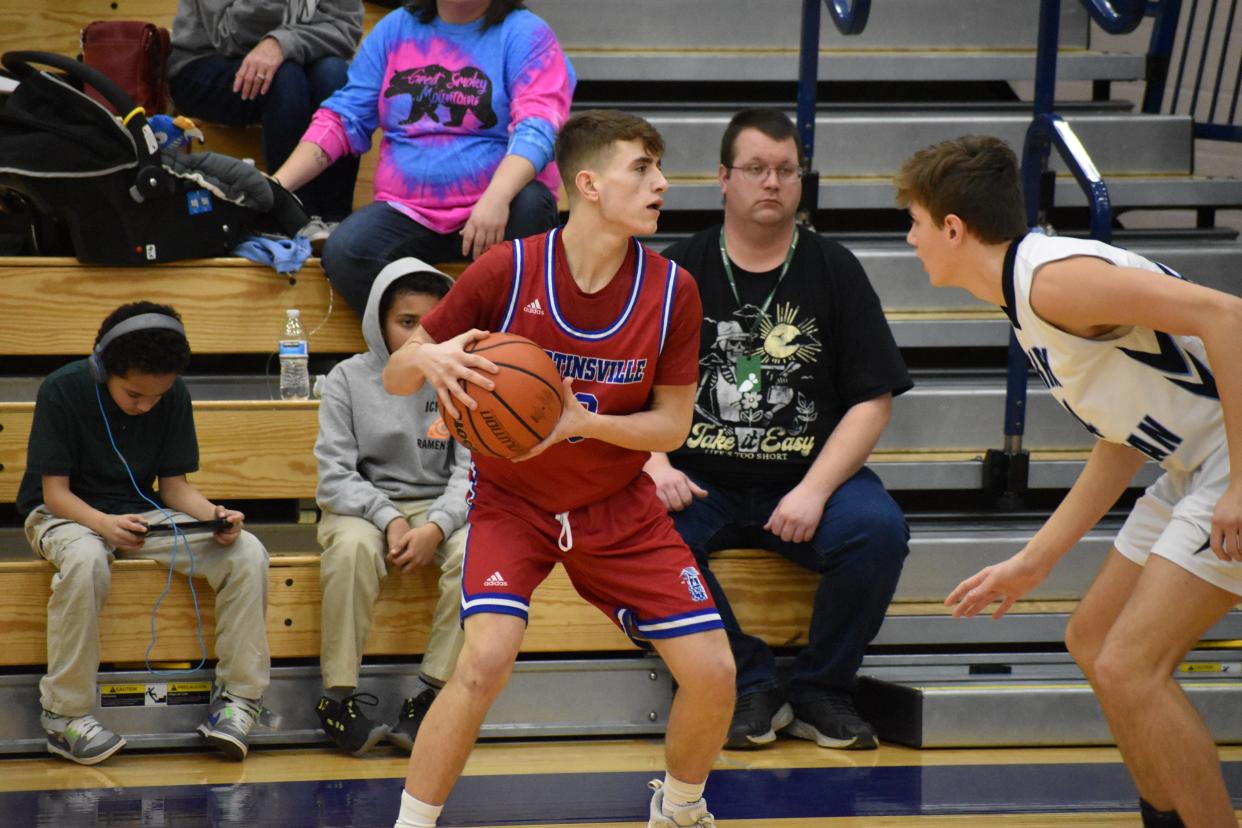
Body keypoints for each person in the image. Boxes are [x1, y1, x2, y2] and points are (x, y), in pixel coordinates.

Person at [382, 110, 734, 828]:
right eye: (643, 168)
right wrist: (429, 355)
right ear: (589, 184)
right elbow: (394, 374)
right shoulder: (506, 268)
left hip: (617, 502)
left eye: (660, 169)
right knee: (485, 661)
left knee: (716, 674)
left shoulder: (674, 291)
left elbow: (672, 424)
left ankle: (680, 810)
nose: (662, 183)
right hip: (512, 502)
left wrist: (579, 423)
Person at [896, 135, 1242, 828]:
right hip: (1192, 460)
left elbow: (1227, 314)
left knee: (1129, 665)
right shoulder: (1025, 294)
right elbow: (1123, 439)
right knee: (1094, 639)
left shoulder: (1053, 279)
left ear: (954, 229)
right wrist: (1033, 562)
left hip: (1230, 459)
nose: (909, 239)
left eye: (915, 222)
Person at [654, 108, 912, 752]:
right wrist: (652, 464)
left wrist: (816, 491)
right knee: (632, 535)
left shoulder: (834, 268)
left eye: (786, 170)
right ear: (722, 178)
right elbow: (626, 384)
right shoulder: (676, 268)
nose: (772, 183)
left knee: (878, 532)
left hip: (801, 478)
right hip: (696, 477)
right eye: (756, 169)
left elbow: (873, 400)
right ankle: (749, 684)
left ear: (801, 181)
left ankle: (822, 690)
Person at [18, 302, 271, 765]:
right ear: (102, 368)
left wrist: (213, 515)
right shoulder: (62, 389)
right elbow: (54, 493)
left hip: (139, 516)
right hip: (64, 516)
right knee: (87, 559)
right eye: (135, 395)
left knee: (247, 552)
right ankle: (63, 716)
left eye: (158, 395)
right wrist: (102, 525)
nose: (147, 405)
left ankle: (239, 701)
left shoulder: (172, 394)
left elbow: (175, 489)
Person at [271, 0, 575, 315]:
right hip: (408, 212)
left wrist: (496, 197)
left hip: (497, 211)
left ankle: (499, 348)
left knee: (530, 205)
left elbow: (537, 129)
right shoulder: (395, 29)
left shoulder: (527, 34)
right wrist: (276, 186)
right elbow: (343, 118)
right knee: (346, 251)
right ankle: (433, 346)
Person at [313, 257, 470, 756]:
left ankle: (432, 696)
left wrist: (437, 528)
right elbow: (335, 475)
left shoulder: (462, 378)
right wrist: (392, 518)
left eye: (432, 323)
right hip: (362, 507)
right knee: (353, 550)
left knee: (479, 552)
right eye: (407, 323)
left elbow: (473, 473)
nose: (421, 336)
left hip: (437, 508)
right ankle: (337, 699)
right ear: (378, 323)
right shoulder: (346, 378)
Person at [168, 0, 364, 226]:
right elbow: (227, 34)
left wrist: (283, 43)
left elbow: (345, 29)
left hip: (293, 62)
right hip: (204, 61)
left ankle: (336, 220)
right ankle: (293, 216)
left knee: (336, 75)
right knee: (285, 77)